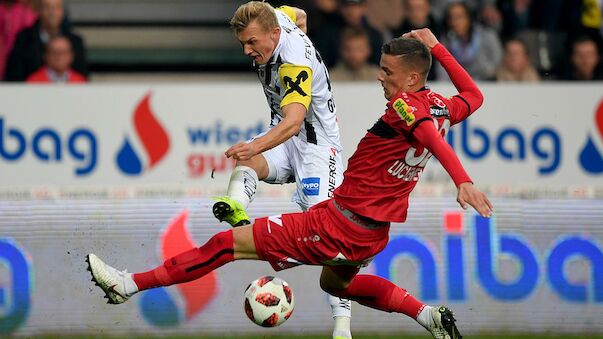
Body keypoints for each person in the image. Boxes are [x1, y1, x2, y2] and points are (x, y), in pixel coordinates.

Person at [87, 28, 493, 339]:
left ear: (413, 78)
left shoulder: (407, 108)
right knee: (335, 283)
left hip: (337, 225)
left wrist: (464, 181)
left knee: (226, 245)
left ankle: (128, 284)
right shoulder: (440, 105)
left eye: (388, 72)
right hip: (372, 233)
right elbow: (474, 96)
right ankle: (428, 317)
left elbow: (429, 138)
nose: (379, 78)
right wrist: (438, 46)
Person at [210, 3, 353, 339]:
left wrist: (257, 144)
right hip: (286, 136)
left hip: (317, 148)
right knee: (247, 162)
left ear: (274, 34)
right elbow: (299, 14)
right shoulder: (279, 17)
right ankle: (238, 213)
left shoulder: (292, 63)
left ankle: (342, 326)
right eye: (243, 43)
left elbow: (293, 122)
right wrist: (256, 149)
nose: (247, 50)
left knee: (331, 241)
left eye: (252, 42)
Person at [4, 0, 87, 81]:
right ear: (39, 11)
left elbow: (83, 80)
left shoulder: (75, 42)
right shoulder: (23, 39)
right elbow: (14, 78)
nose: (52, 13)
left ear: (62, 11)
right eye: (47, 7)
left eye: (56, 8)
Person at [438, 1, 502, 81]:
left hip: (486, 83)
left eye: (459, 17)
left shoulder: (487, 35)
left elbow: (497, 61)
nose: (454, 22)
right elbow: (442, 70)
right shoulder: (446, 40)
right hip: (458, 86)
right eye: (451, 18)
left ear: (469, 18)